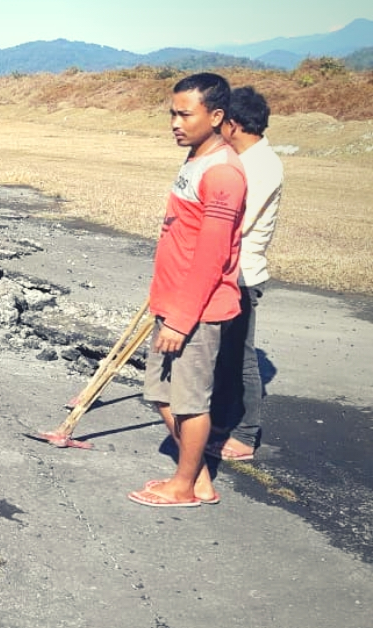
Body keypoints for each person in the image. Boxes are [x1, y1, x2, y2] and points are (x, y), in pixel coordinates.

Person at [128, 73, 246, 508]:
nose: (175, 123)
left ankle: (185, 487)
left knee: (191, 402)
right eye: (171, 114)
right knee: (162, 394)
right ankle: (195, 478)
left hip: (196, 311)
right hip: (173, 301)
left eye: (184, 114)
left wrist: (180, 319)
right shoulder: (197, 158)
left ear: (215, 116)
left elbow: (212, 256)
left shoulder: (224, 174)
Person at [208, 86, 284, 461]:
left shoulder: (262, 166)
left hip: (242, 274)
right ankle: (222, 420)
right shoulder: (244, 159)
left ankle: (246, 433)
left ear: (233, 125)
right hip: (227, 269)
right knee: (223, 353)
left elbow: (235, 222)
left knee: (241, 356)